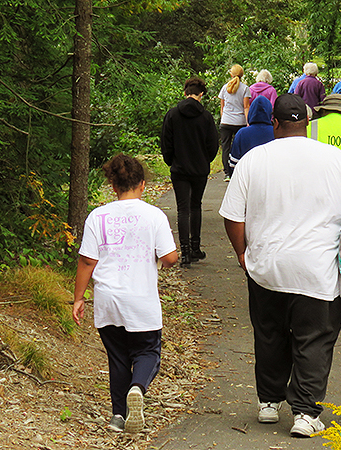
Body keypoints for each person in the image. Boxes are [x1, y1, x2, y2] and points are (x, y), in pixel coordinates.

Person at [219, 94, 341, 438]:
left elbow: (232, 216)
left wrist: (242, 253)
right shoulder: (335, 159)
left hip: (266, 265)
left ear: (274, 123)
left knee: (269, 333)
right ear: (309, 123)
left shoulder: (254, 160)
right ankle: (305, 412)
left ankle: (269, 403)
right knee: (314, 338)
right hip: (318, 267)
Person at [73, 154, 178, 434]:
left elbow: (87, 261)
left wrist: (79, 298)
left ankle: (118, 417)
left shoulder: (98, 216)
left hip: (108, 301)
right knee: (148, 351)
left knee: (117, 357)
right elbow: (170, 257)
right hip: (141, 299)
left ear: (113, 185)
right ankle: (138, 387)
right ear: (142, 184)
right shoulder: (154, 215)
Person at [161, 77, 219, 267]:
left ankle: (184, 252)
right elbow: (213, 145)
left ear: (184, 93)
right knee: (196, 206)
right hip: (200, 169)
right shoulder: (206, 117)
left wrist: (172, 161)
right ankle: (195, 248)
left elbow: (166, 144)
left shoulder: (172, 115)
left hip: (179, 169)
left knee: (182, 209)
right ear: (201, 94)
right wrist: (204, 161)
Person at [219, 64, 251, 181]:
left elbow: (222, 107)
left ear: (231, 74)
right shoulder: (245, 89)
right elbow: (246, 107)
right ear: (242, 75)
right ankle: (238, 171)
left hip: (226, 122)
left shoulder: (224, 88)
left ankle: (227, 173)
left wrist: (224, 118)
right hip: (239, 122)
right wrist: (248, 122)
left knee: (225, 147)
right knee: (240, 147)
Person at [229, 95, 274, 170]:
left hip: (247, 178)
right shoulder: (276, 132)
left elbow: (233, 163)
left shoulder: (242, 134)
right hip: (271, 177)